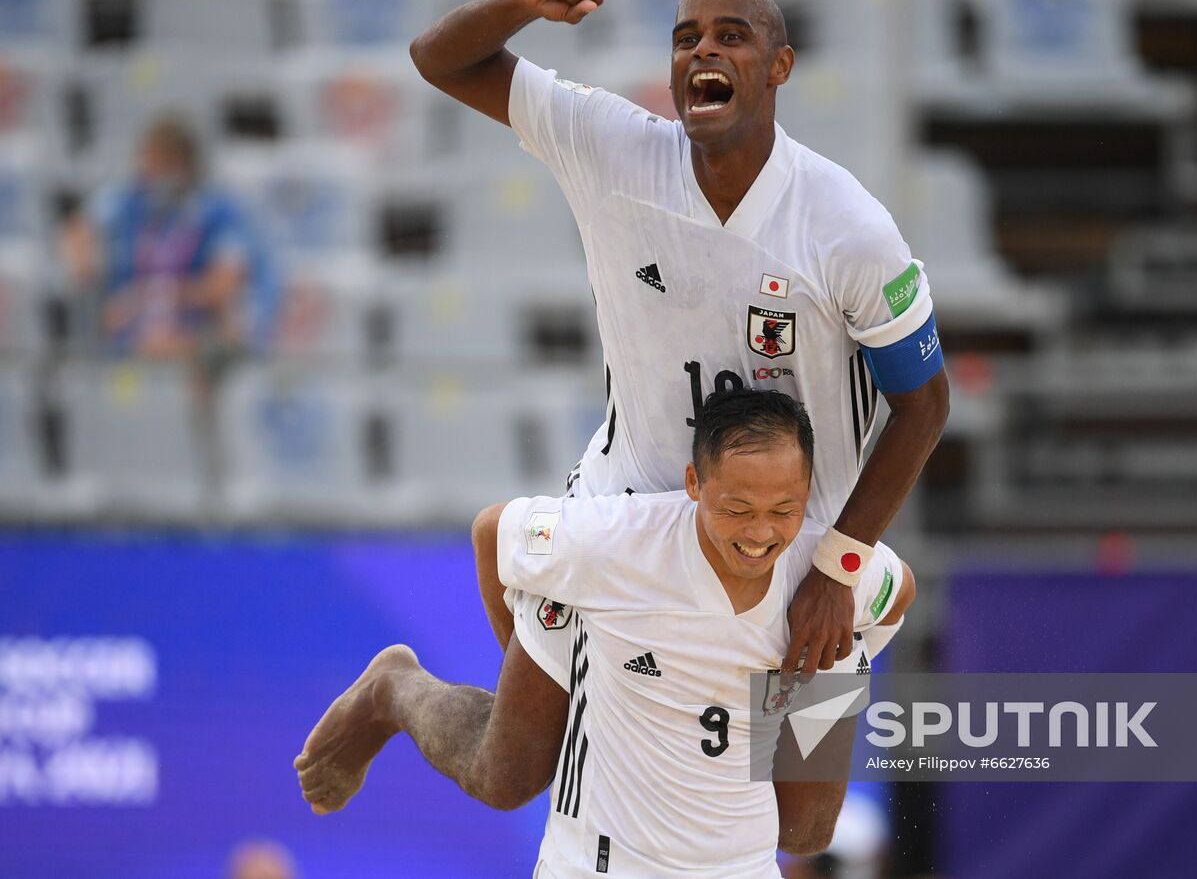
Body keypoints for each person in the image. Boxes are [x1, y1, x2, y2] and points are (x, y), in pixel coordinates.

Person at [410, 0, 947, 673]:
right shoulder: (612, 147)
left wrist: (840, 564)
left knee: (802, 788)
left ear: (779, 65)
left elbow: (926, 404)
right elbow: (437, 60)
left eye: (732, 36)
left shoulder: (847, 225)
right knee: (522, 763)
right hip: (632, 521)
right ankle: (403, 689)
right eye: (686, 38)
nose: (704, 51)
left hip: (791, 552)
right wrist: (523, 1)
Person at [297, 389, 915, 876]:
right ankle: (394, 687)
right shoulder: (618, 541)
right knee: (506, 774)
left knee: (808, 833)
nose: (760, 533)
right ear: (695, 485)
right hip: (596, 864)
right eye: (737, 510)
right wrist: (538, 666)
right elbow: (493, 534)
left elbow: (898, 594)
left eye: (783, 510)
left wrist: (818, 670)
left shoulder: (831, 562)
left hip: (739, 864)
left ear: (806, 495)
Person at [62, 114, 276, 366]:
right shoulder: (130, 198)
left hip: (192, 331)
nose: (149, 172)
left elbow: (222, 285)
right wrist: (87, 270)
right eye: (148, 162)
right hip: (132, 333)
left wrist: (151, 298)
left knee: (224, 331)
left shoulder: (219, 209)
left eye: (160, 163)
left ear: (184, 164)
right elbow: (80, 228)